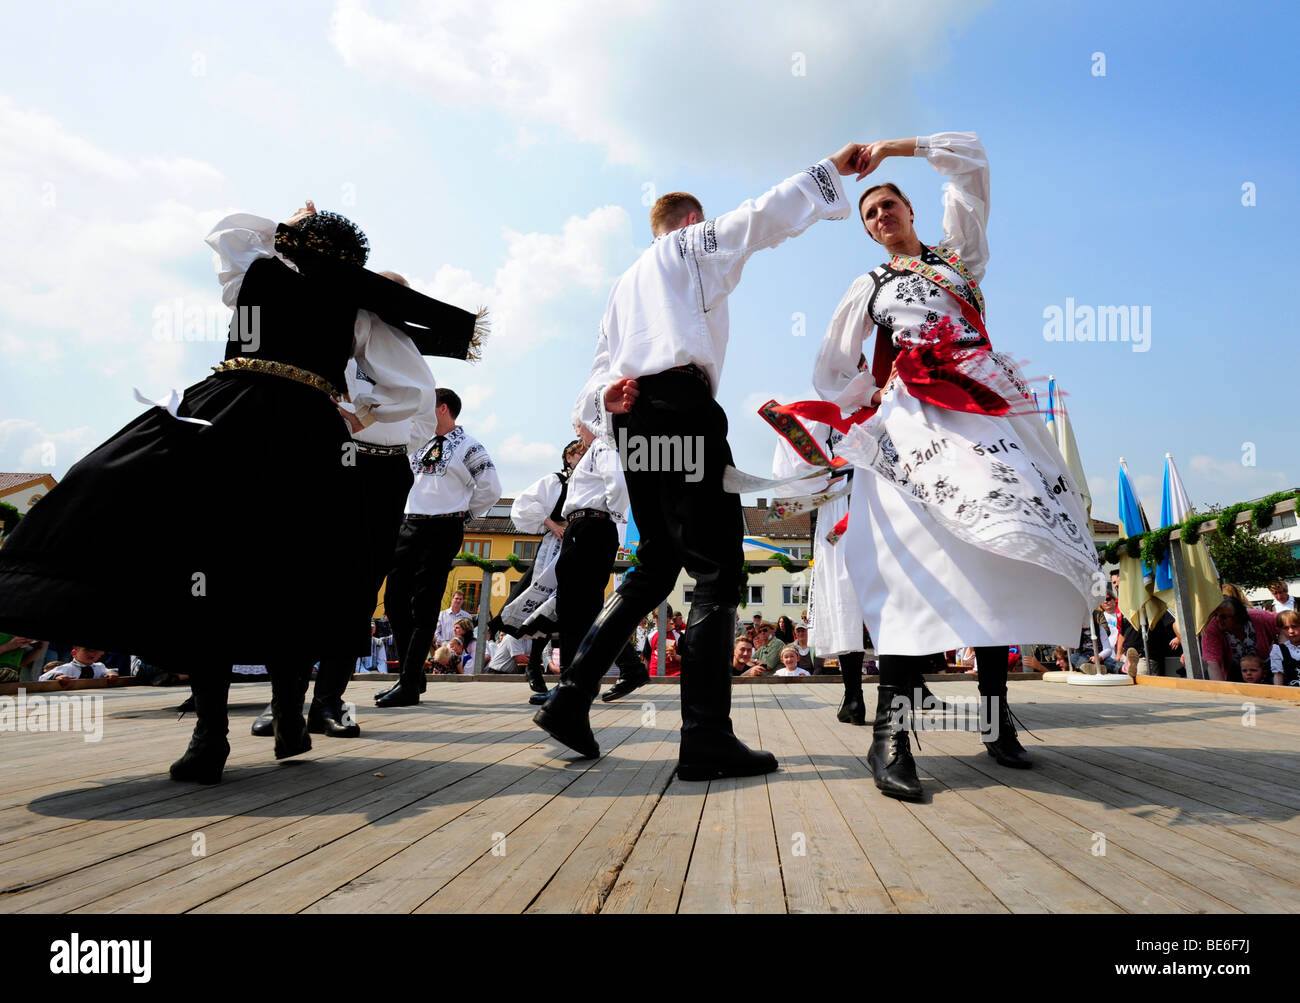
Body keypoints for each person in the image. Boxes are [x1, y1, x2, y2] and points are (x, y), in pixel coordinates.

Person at [0, 203, 480, 785]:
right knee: (289, 575)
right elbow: (416, 389)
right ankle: (285, 715)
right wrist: (358, 417)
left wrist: (285, 226)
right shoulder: (355, 307)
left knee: (206, 568)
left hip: (224, 419)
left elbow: (228, 228)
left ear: (292, 243)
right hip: (304, 433)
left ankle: (213, 736)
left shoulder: (255, 270)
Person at [536, 141, 870, 779]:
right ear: (691, 224)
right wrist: (830, 171)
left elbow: (598, 379)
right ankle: (706, 736)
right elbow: (759, 216)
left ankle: (571, 697)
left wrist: (606, 402)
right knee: (718, 569)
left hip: (632, 417)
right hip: (682, 406)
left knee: (657, 561)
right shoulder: (687, 248)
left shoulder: (624, 284)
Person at [806, 132, 1096, 800]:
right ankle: (890, 738)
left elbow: (972, 162)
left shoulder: (959, 259)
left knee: (1001, 546)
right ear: (869, 231)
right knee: (917, 559)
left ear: (909, 210)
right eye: (869, 213)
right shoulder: (870, 284)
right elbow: (828, 368)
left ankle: (995, 720)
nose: (880, 215)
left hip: (988, 403)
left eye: (888, 204)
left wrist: (896, 147)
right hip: (915, 416)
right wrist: (869, 393)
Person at [248, 270, 437, 740]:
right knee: (300, 580)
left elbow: (421, 421)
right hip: (328, 463)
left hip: (383, 470)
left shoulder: (406, 354)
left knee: (358, 588)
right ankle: (283, 702)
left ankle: (328, 701)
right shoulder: (333, 330)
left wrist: (373, 429)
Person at [375, 388, 502, 707]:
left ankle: (408, 683)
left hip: (444, 525)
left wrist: (464, 514)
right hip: (411, 523)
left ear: (443, 409)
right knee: (394, 600)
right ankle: (412, 674)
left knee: (427, 603)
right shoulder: (417, 441)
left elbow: (491, 488)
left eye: (426, 408)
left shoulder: (469, 445)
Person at [491, 439, 586, 702]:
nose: (582, 456)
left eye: (585, 452)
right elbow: (524, 503)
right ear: (568, 457)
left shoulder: (591, 480)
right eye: (578, 453)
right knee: (542, 604)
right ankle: (534, 666)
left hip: (578, 547)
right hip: (553, 549)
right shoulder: (556, 481)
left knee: (564, 608)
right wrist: (552, 525)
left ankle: (554, 672)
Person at [1201, 595, 1278, 683]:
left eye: (1223, 617)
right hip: (1232, 675)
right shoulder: (1211, 628)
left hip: (1265, 671)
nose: (1217, 619)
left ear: (1238, 616)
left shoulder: (1259, 617)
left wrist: (1282, 643)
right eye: (1215, 614)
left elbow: (1285, 620)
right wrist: (1222, 690)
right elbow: (1213, 663)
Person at [39, 646, 117, 682]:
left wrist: (111, 674)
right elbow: (42, 678)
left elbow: (109, 671)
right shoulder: (67, 668)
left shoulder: (99, 666)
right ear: (74, 653)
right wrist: (57, 676)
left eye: (96, 651)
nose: (92, 653)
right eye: (88, 649)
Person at [1269, 609, 1300, 685]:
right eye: (1286, 628)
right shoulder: (1278, 650)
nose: (1291, 631)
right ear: (1280, 630)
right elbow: (1278, 675)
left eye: (1294, 626)